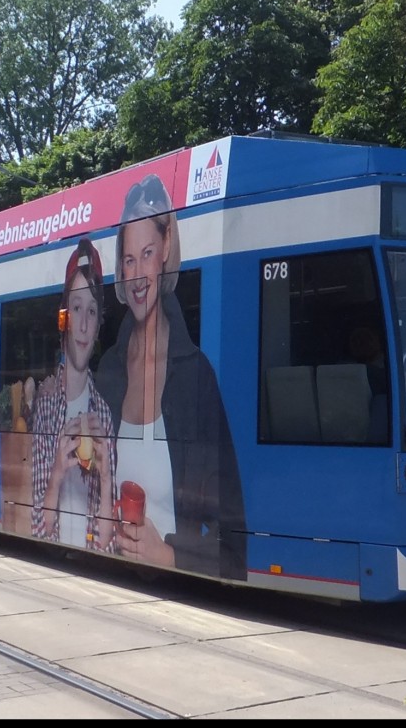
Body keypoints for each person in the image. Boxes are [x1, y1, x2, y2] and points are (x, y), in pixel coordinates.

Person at [94, 173, 247, 580]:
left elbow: (233, 542)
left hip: (169, 603)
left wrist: (171, 557)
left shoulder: (195, 376)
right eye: (129, 259)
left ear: (165, 250)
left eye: (147, 253)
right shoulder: (106, 372)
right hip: (100, 588)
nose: (138, 273)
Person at [30, 238, 117, 551]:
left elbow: (107, 545)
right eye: (76, 308)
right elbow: (38, 532)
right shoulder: (45, 404)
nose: (83, 325)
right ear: (64, 320)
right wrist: (56, 472)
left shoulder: (104, 415)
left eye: (91, 311)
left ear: (98, 325)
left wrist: (106, 479)